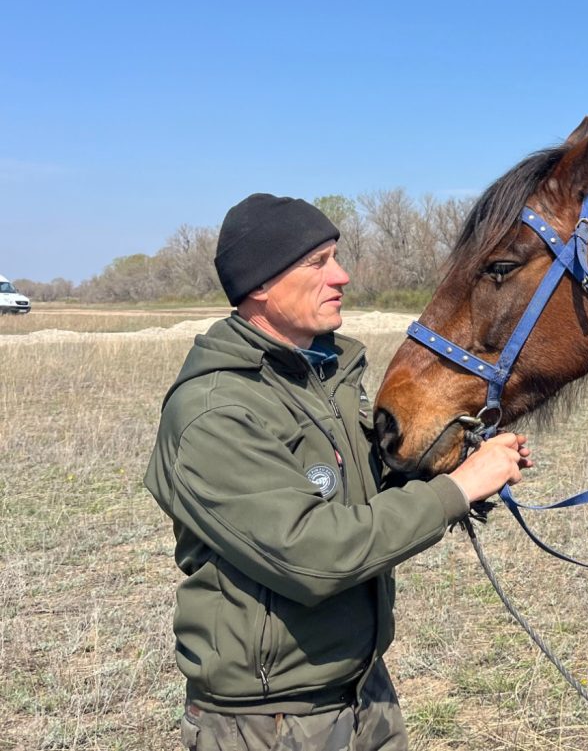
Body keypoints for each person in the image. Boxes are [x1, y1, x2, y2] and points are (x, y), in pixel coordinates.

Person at [145, 193, 531, 751]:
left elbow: (368, 495)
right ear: (260, 283)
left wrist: (466, 465)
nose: (342, 276)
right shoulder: (215, 413)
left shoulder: (324, 381)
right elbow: (314, 555)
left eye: (336, 257)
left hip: (362, 688)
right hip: (270, 721)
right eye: (318, 262)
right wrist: (456, 489)